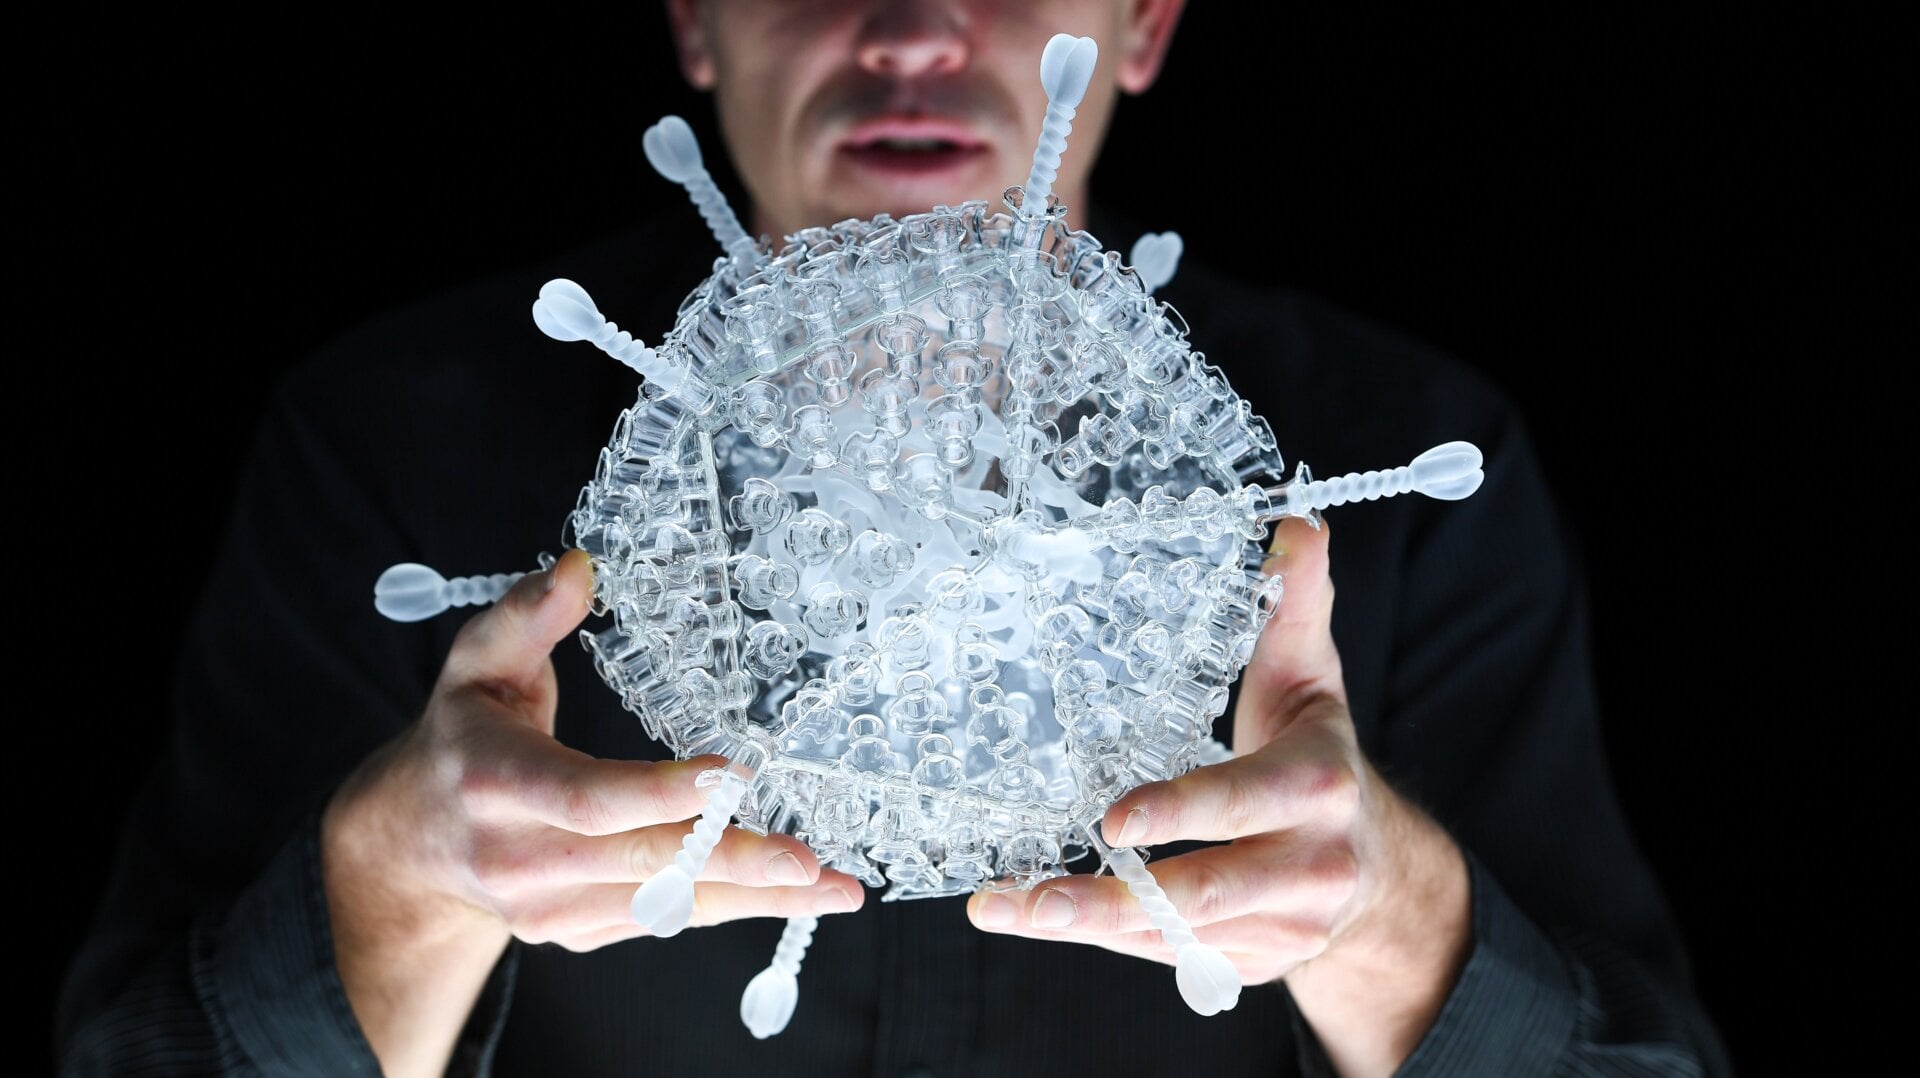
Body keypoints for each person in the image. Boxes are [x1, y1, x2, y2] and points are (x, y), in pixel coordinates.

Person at [58, 1, 1731, 1074]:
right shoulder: (390, 449)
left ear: (1142, 21)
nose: (914, 29)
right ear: (692, 22)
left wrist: (1395, 925)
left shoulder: (1415, 479)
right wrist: (396, 888)